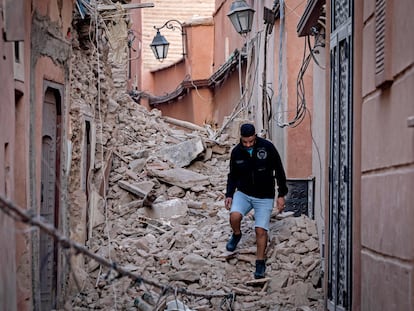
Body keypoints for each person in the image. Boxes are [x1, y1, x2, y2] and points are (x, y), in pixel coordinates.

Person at [224, 123, 288, 279]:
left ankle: (260, 263)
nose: (248, 145)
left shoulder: (267, 148)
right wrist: (229, 194)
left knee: (260, 230)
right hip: (244, 193)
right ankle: (237, 234)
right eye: (245, 142)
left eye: (251, 141)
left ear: (255, 136)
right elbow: (232, 175)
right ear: (241, 138)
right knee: (234, 216)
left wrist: (281, 194)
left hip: (264, 196)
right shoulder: (236, 152)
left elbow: (279, 170)